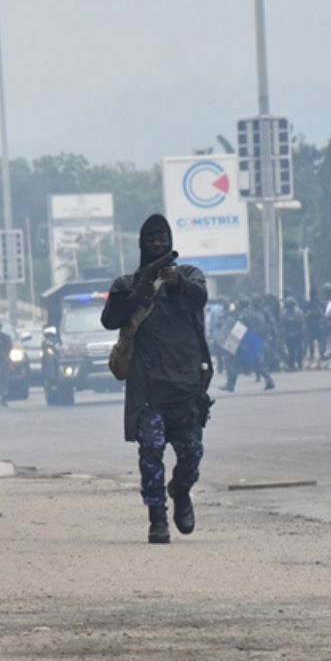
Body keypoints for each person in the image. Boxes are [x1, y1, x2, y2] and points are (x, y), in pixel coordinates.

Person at [101, 214, 213, 545]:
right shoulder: (126, 284)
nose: (157, 244)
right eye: (151, 239)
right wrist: (138, 292)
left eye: (162, 238)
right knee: (150, 453)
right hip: (148, 389)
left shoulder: (190, 276)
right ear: (141, 244)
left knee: (191, 455)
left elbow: (200, 298)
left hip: (187, 386)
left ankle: (181, 491)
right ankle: (157, 517)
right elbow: (110, 320)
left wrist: (175, 281)